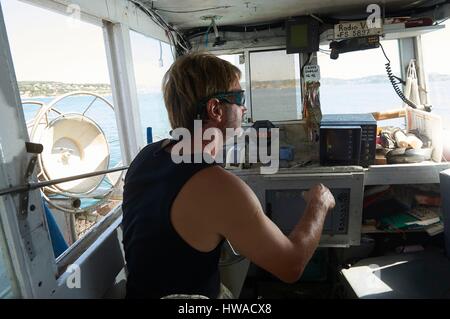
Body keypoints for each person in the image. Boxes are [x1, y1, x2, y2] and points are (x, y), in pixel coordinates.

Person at [122, 52, 335, 299]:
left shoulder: (145, 156)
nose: (244, 108)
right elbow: (290, 266)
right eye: (239, 98)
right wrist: (318, 204)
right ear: (215, 109)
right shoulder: (217, 186)